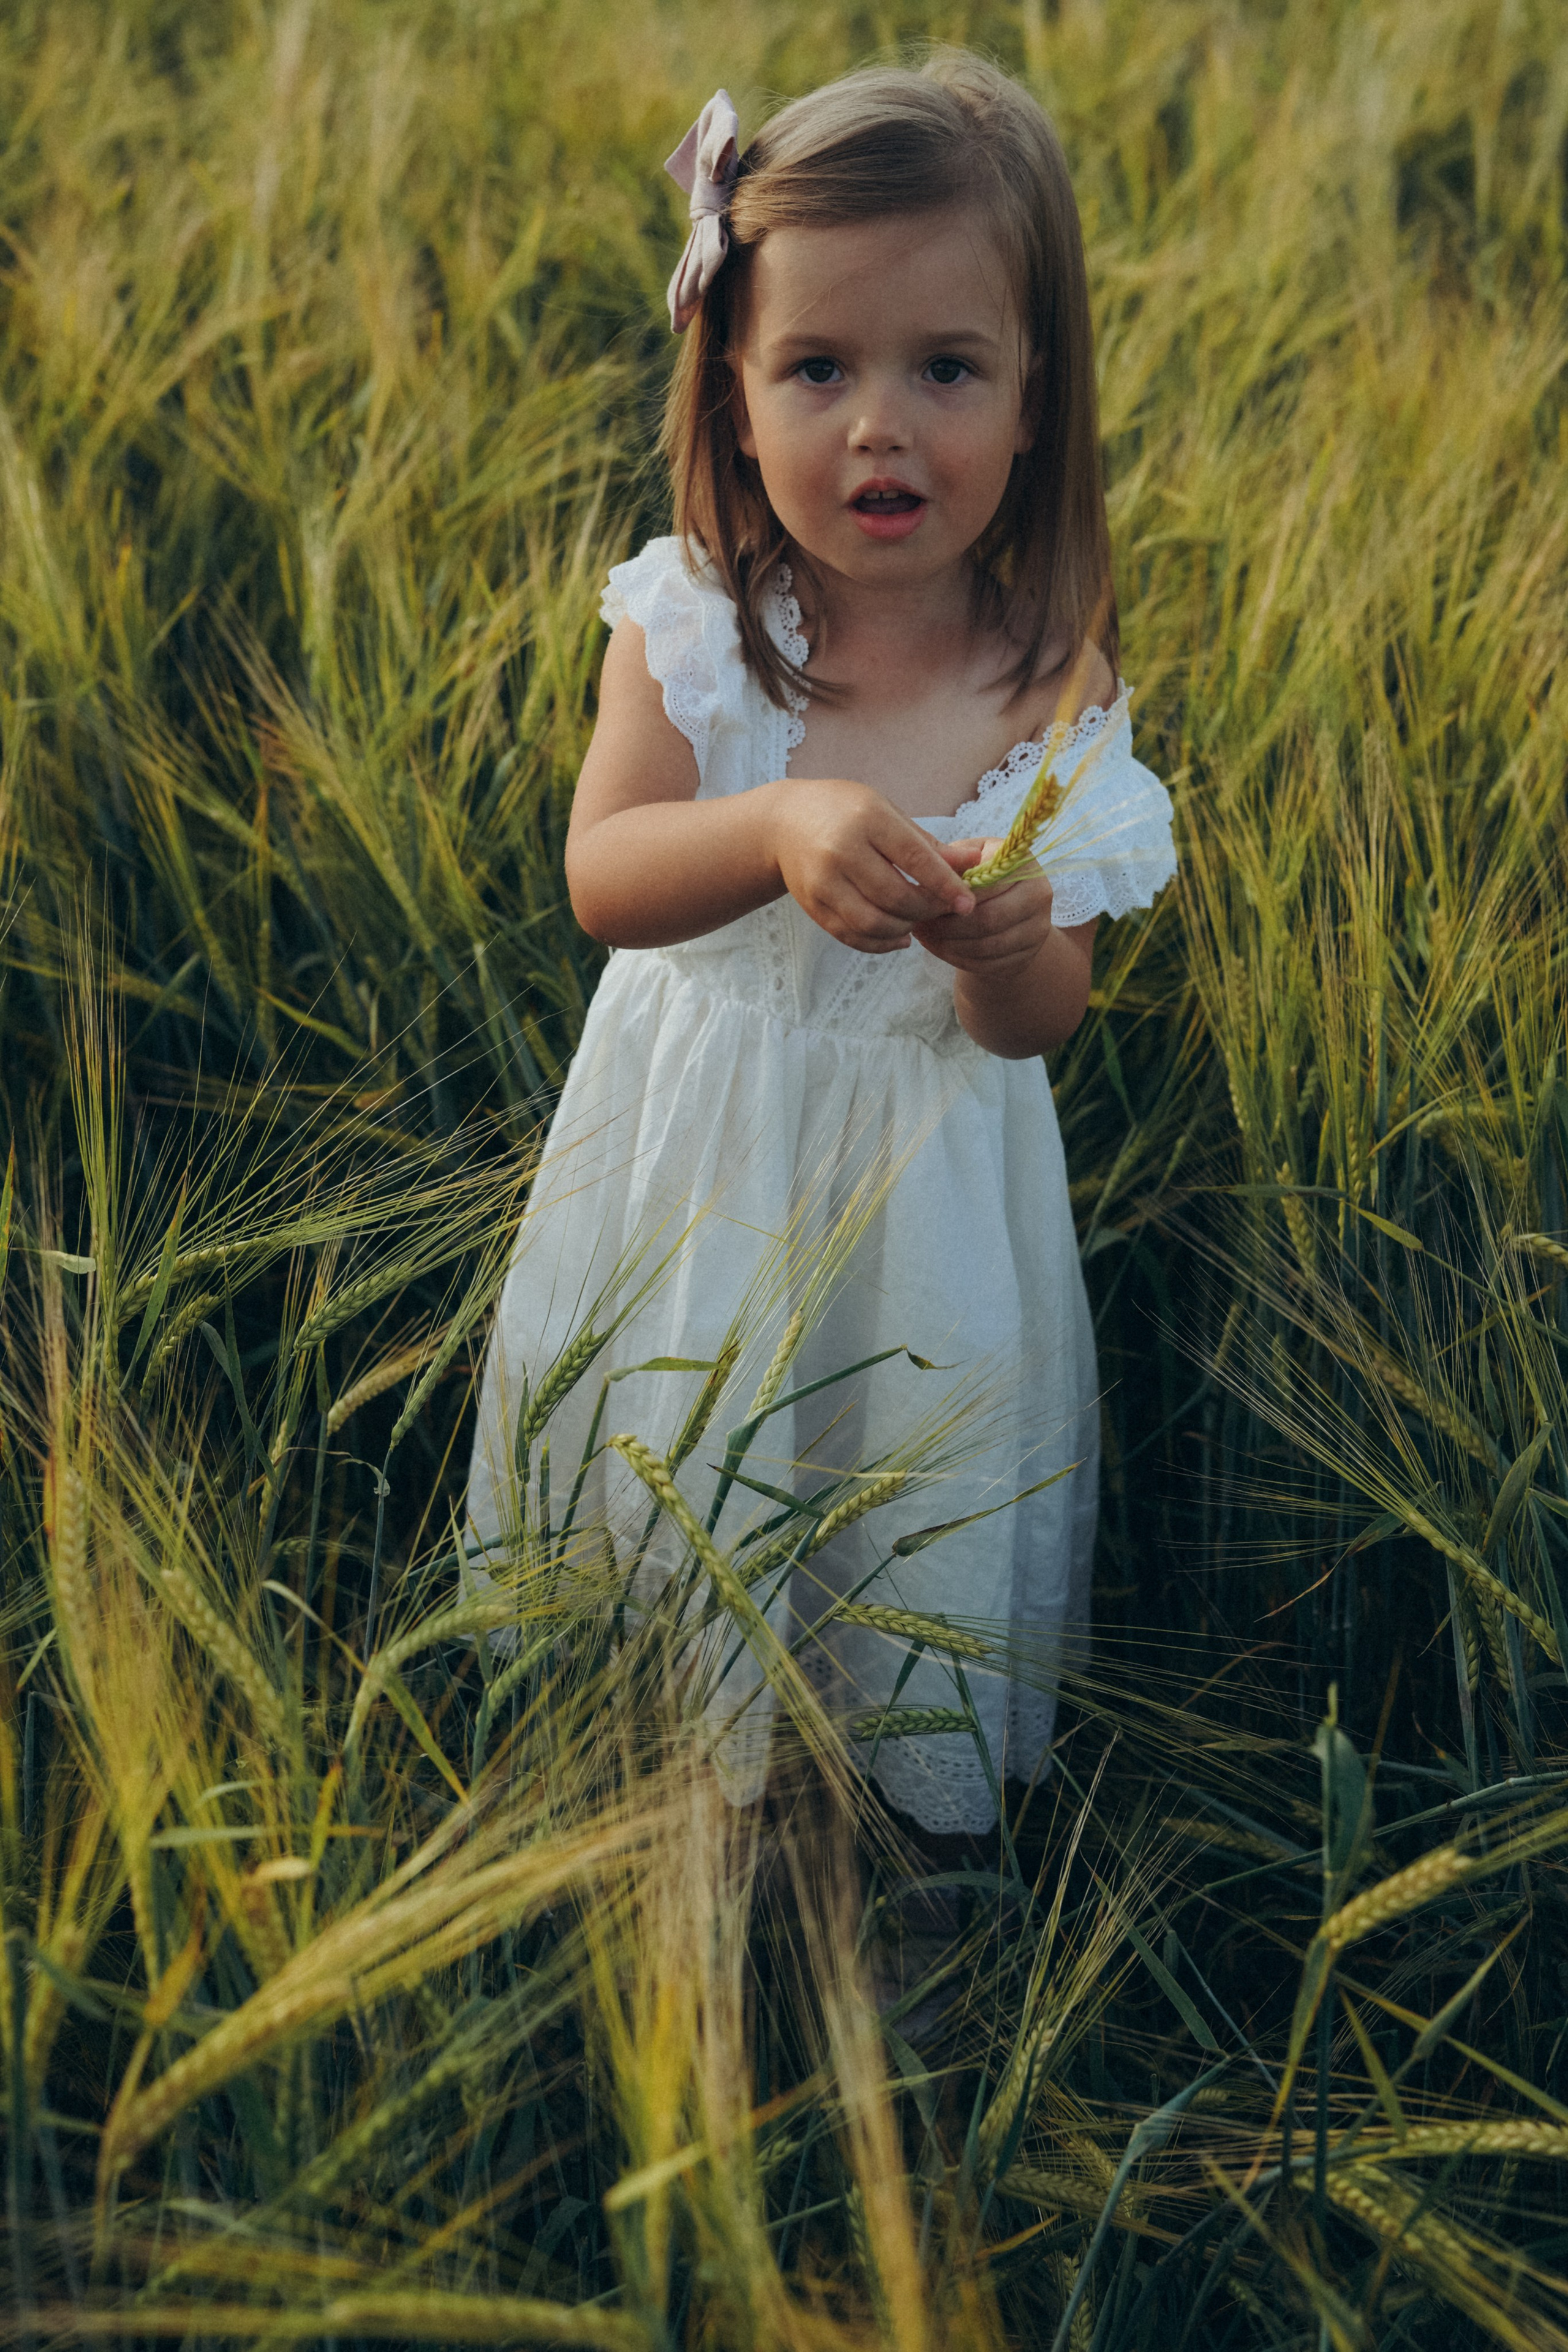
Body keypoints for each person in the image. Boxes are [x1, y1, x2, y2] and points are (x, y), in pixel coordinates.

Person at [465, 53, 1175, 1837]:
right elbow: (608, 872)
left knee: (897, 1557)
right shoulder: (699, 624)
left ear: (1036, 400)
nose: (880, 426)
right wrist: (774, 827)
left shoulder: (1049, 682)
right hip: (698, 1193)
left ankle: (911, 1919)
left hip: (926, 1222)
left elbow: (1039, 1022)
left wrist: (1005, 943)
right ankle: (678, 1854)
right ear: (732, 386)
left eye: (946, 369)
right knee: (682, 1515)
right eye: (818, 368)